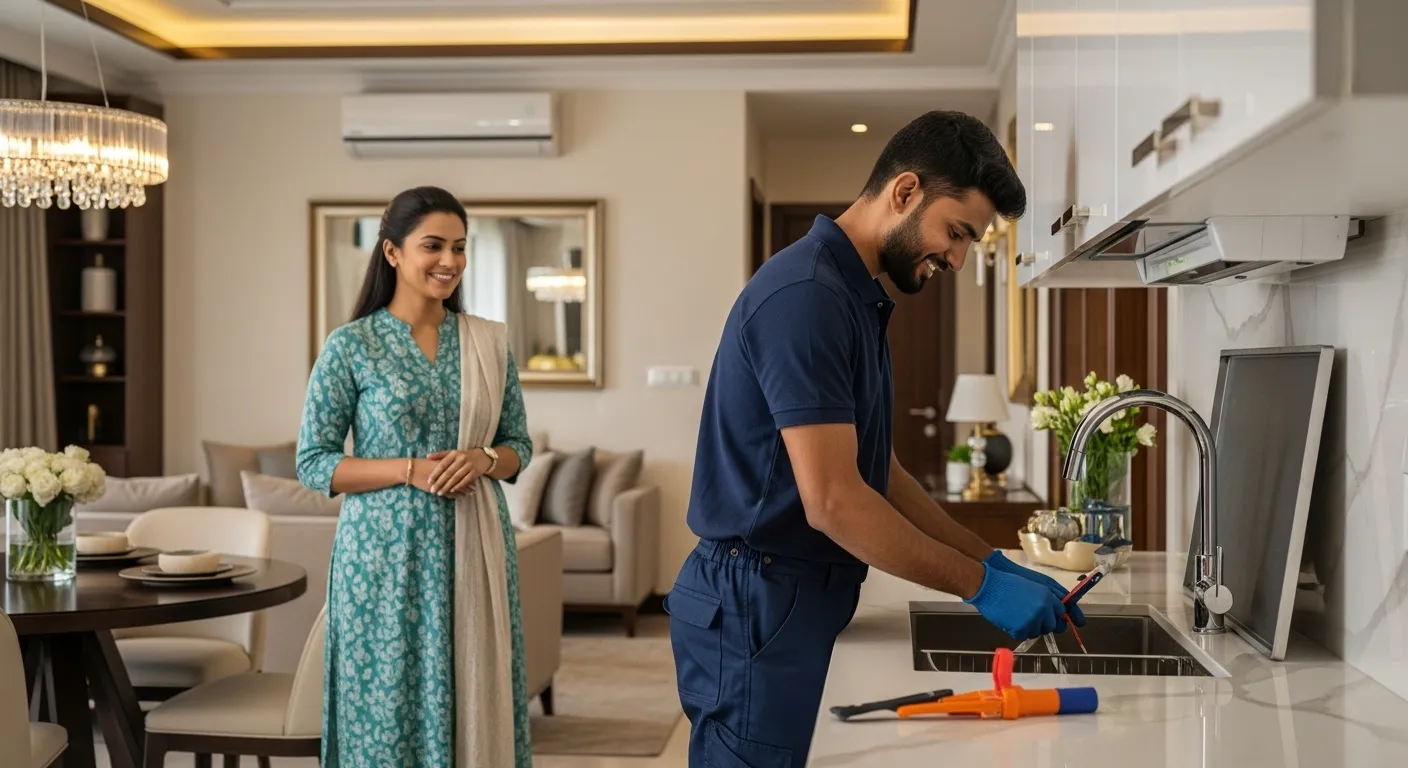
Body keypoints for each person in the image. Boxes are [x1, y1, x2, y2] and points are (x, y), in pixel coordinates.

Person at [667, 111, 1083, 765]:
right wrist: (978, 584)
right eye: (957, 232)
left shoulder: (853, 296)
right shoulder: (807, 298)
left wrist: (993, 561)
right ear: (906, 191)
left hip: (788, 592)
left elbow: (876, 471)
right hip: (757, 596)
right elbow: (833, 501)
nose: (957, 257)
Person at [296, 186, 534, 768]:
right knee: (385, 712)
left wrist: (482, 459)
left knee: (475, 700)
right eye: (433, 245)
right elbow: (314, 462)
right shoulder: (351, 346)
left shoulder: (486, 343)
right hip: (382, 559)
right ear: (393, 252)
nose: (449, 261)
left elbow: (518, 448)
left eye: (459, 247)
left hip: (473, 551)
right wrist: (410, 471)